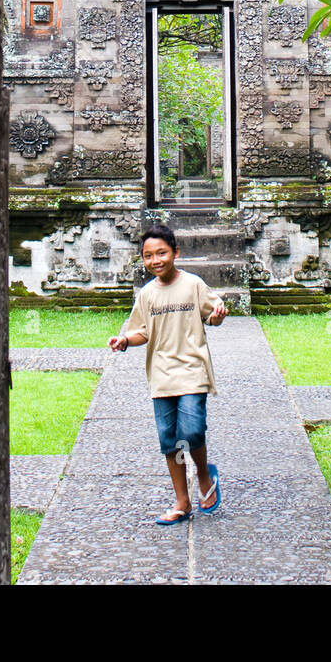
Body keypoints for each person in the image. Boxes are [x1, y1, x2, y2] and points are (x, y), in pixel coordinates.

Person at [108, 223, 229, 524]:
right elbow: (141, 331)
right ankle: (182, 502)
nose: (155, 261)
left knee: (191, 430)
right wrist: (124, 341)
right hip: (161, 374)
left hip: (192, 369)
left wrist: (217, 316)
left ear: (176, 252)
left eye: (161, 253)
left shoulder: (193, 285)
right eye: (148, 256)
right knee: (169, 441)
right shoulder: (147, 294)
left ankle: (203, 474)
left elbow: (213, 315)